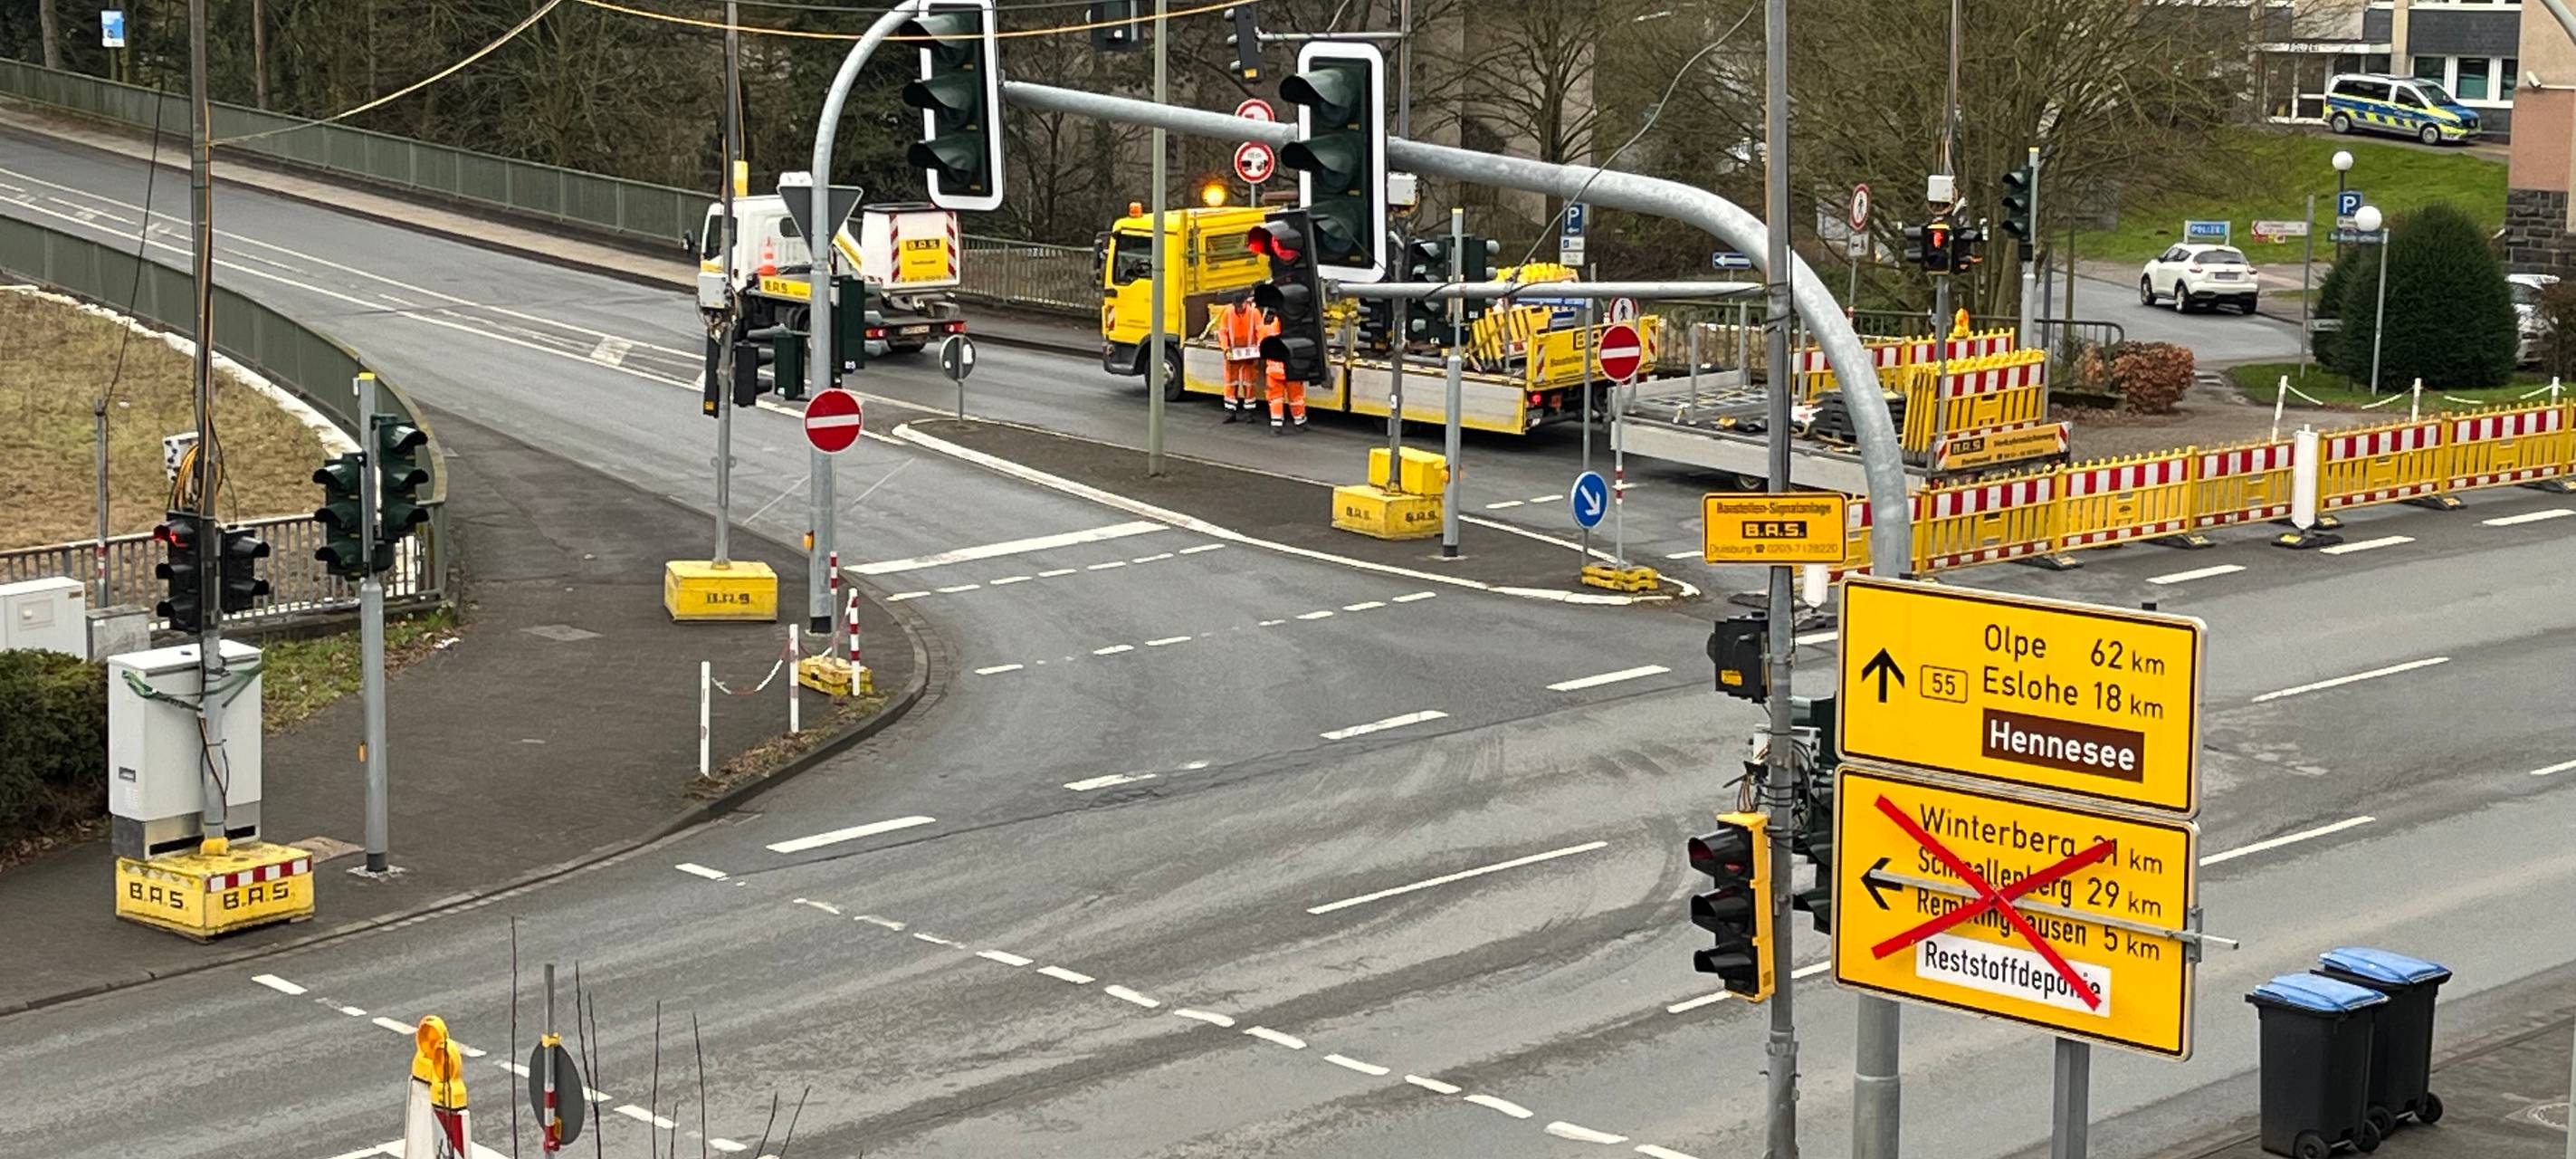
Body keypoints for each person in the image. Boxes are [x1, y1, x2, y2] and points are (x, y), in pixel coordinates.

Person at [1207, 292, 1266, 422]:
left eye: (1241, 305)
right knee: (1230, 384)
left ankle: (1249, 413)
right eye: (1237, 306)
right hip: (1233, 354)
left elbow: (1260, 331)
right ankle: (1230, 412)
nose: (1239, 308)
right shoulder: (1228, 313)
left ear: (1246, 302)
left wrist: (1260, 347)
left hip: (1249, 355)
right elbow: (1223, 333)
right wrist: (1226, 349)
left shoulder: (1254, 313)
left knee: (1249, 384)